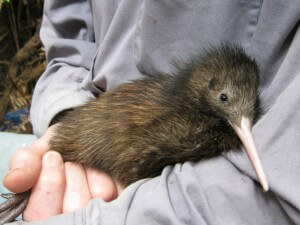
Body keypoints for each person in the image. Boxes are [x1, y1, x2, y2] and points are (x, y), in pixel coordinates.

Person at [1, 0, 300, 224]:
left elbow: (282, 187)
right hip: (97, 128)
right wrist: (65, 108)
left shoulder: (213, 120)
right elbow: (69, 43)